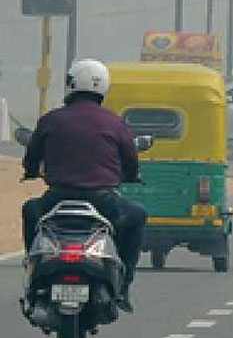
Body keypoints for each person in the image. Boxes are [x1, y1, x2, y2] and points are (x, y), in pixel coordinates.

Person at [21, 59, 147, 314]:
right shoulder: (115, 122)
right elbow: (131, 160)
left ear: (70, 84)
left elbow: (32, 156)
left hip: (57, 198)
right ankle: (124, 284)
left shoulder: (51, 119)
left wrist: (31, 172)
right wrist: (132, 175)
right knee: (137, 216)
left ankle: (34, 268)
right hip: (103, 201)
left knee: (30, 210)